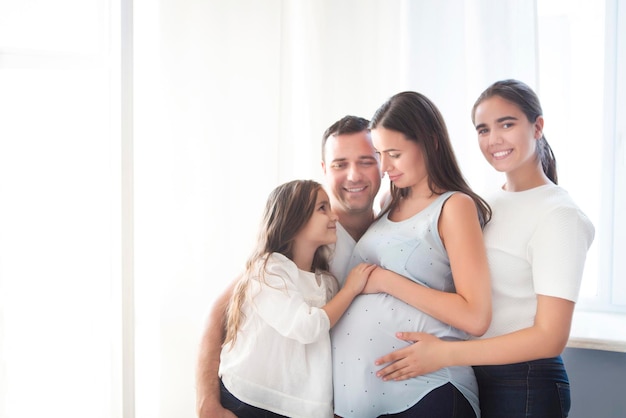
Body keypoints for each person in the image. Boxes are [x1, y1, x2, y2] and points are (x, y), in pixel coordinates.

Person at [372, 79, 595, 418]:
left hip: (524, 382)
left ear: (538, 127)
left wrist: (446, 354)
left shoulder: (559, 215)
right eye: (483, 129)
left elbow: (550, 337)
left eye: (507, 124)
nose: (494, 140)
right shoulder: (482, 204)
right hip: (474, 375)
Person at [195, 115, 382, 418]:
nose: (353, 175)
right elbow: (218, 314)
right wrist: (208, 403)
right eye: (339, 164)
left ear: (383, 163)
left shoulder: (396, 231)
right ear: (324, 169)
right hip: (256, 400)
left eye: (365, 161)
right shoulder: (284, 257)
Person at [331, 91, 492, 418]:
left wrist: (387, 281)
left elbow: (475, 317)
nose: (384, 166)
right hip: (365, 400)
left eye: (394, 153)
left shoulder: (454, 206)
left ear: (430, 142)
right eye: (379, 153)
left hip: (428, 391)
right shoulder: (389, 201)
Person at [218, 179, 376, 417]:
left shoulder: (326, 282)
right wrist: (350, 290)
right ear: (294, 219)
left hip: (295, 407)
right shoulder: (269, 270)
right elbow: (307, 326)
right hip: (250, 399)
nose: (334, 217)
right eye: (322, 208)